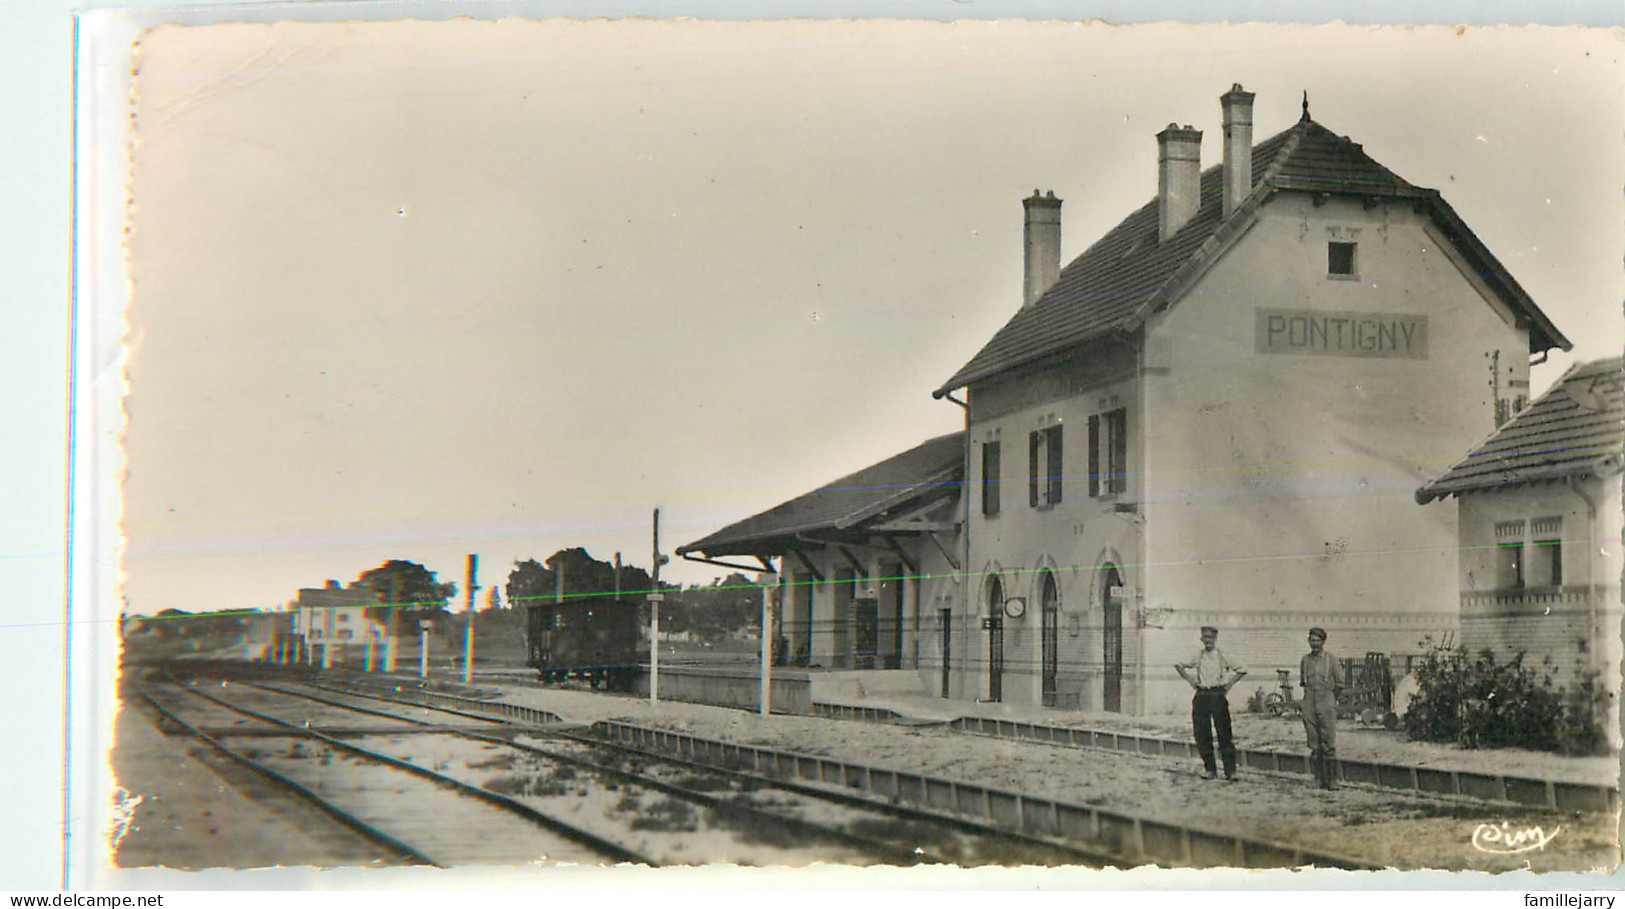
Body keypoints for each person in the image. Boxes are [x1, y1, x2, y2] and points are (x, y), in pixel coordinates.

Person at [1174, 626, 1246, 781]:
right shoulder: (1198, 655)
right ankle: (1210, 769)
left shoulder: (1222, 654)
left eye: (1210, 638)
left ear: (1215, 639)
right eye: (1205, 637)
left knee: (1224, 734)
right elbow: (1178, 664)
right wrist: (1191, 680)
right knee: (1202, 733)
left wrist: (1229, 685)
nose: (1207, 641)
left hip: (1217, 695)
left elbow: (1242, 669)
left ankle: (1230, 771)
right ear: (1202, 639)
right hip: (1202, 696)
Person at [1300, 626, 1342, 790]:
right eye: (1312, 640)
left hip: (1326, 700)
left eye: (1318, 640)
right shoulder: (1305, 660)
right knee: (1313, 742)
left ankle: (1332, 780)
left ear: (1323, 641)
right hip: (1309, 700)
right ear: (1308, 641)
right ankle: (1318, 778)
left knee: (1328, 742)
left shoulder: (1331, 659)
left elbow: (1339, 684)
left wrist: (1330, 700)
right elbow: (1304, 683)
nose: (1315, 644)